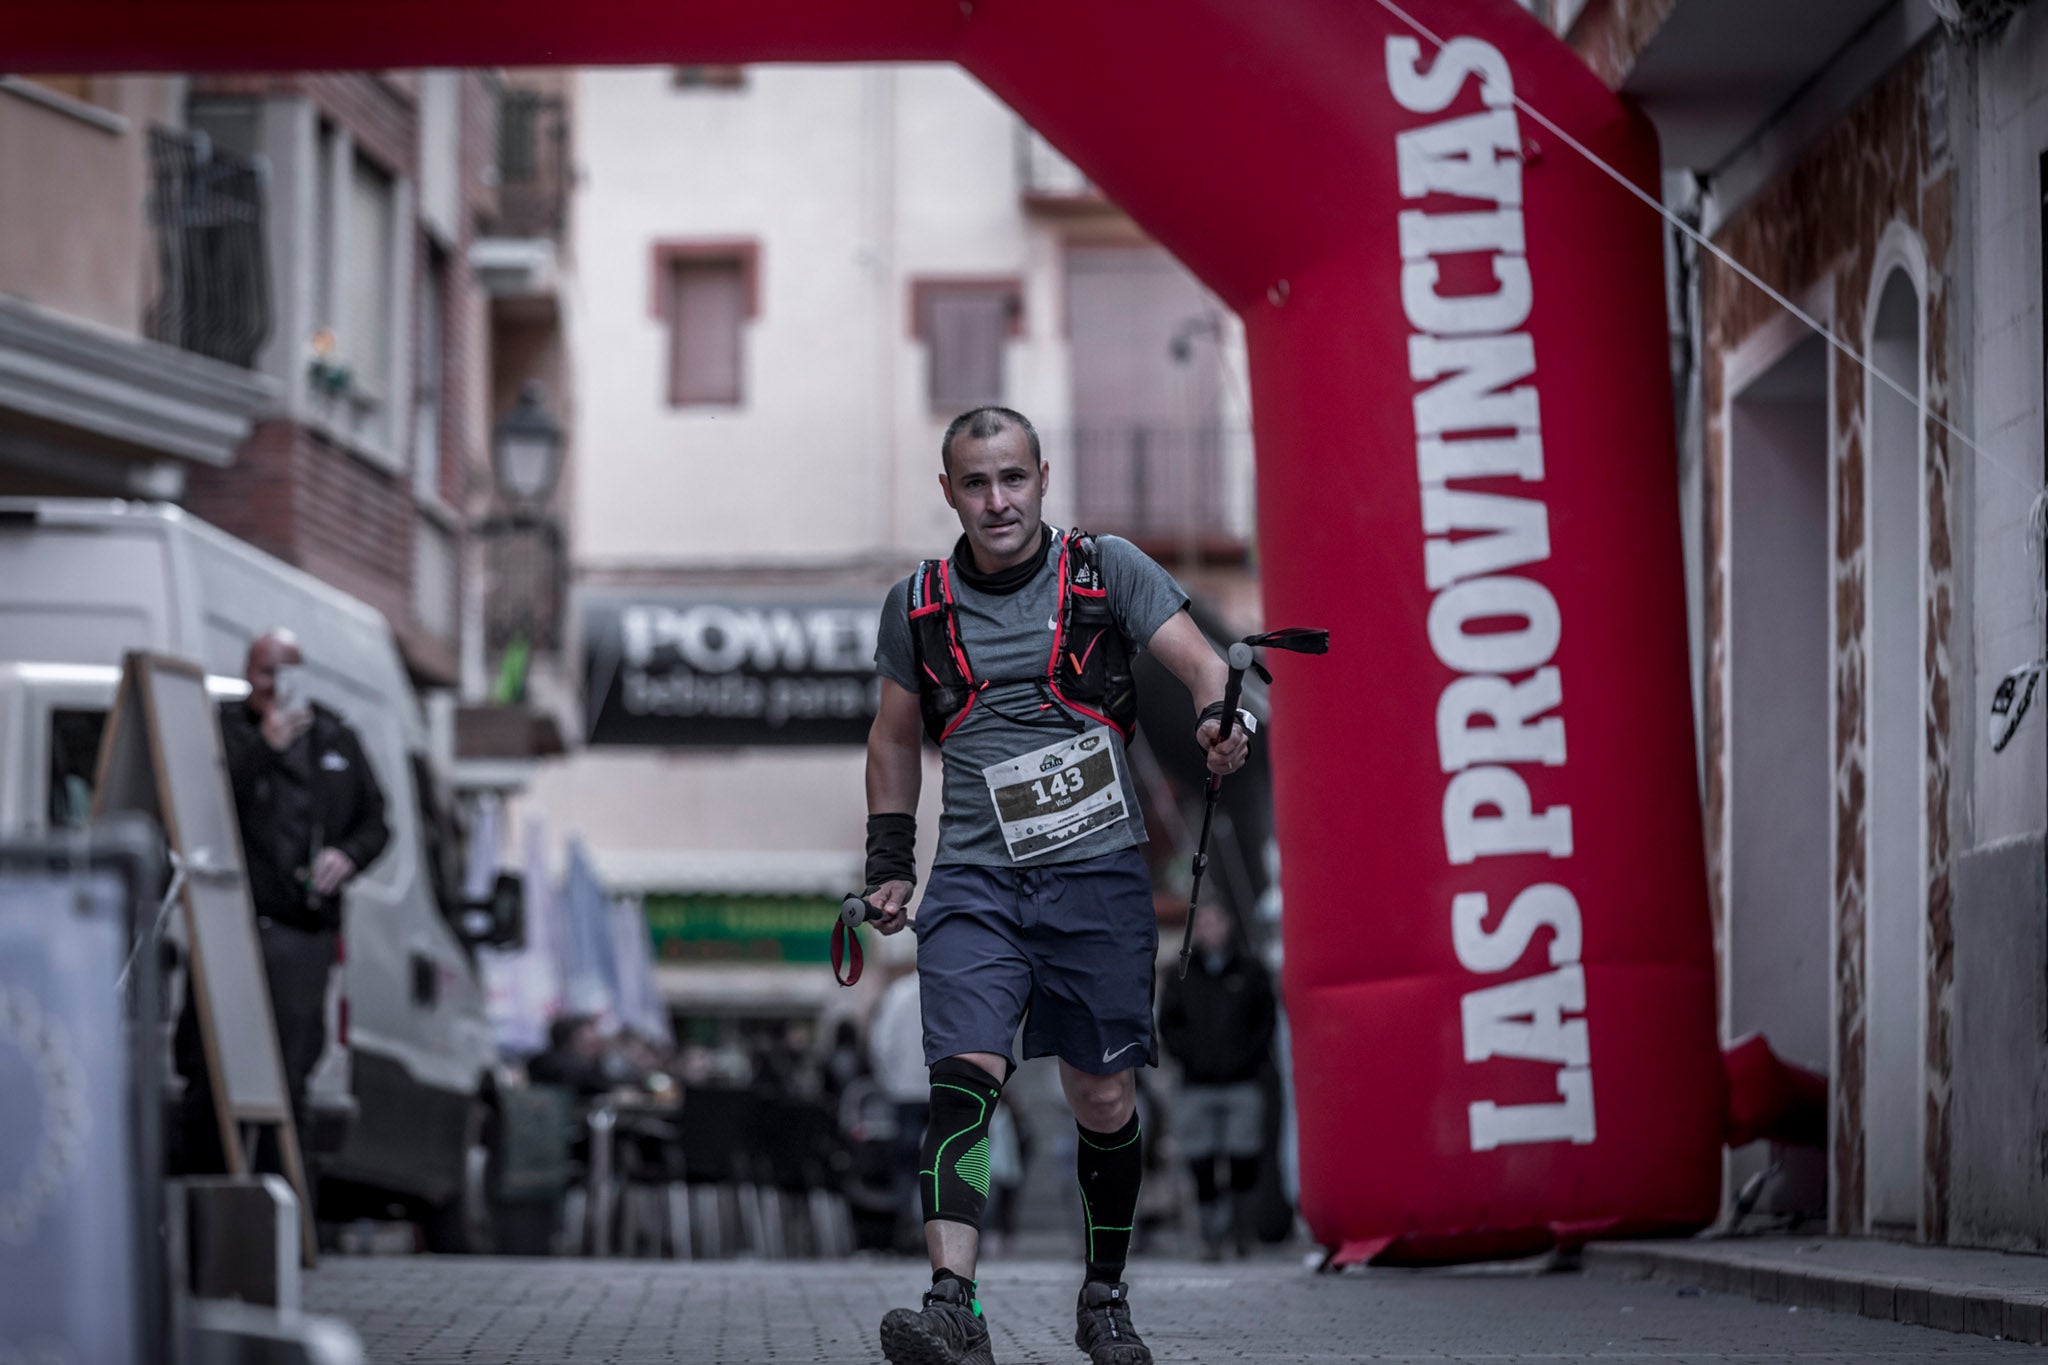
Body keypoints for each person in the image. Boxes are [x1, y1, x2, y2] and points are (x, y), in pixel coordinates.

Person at [862, 406, 1249, 1365]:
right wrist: (887, 864)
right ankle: (954, 1302)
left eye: (1013, 478)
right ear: (947, 491)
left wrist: (1217, 720)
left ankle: (1104, 1298)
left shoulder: (1106, 569)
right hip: (977, 880)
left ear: (1043, 476)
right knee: (962, 1080)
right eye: (976, 483)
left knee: (1103, 1096)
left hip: (1098, 878)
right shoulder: (918, 603)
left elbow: (1203, 664)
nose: (998, 500)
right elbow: (895, 737)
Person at [176, 629, 390, 1171]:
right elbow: (204, 805)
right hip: (233, 924)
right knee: (211, 1068)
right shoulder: (224, 731)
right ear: (249, 675)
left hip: (304, 930)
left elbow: (377, 822)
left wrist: (348, 855)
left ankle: (287, 1209)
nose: (276, 687)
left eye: (287, 674)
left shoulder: (336, 738)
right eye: (266, 673)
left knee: (290, 1072)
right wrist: (263, 750)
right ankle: (208, 1196)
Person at [1157, 901, 1277, 1260]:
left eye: (1216, 921)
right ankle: (1211, 1234)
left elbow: (1265, 1020)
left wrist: (1248, 1058)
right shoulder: (1181, 974)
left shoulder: (1252, 971)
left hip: (1241, 1080)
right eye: (1203, 922)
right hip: (1197, 1082)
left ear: (1228, 924)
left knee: (1244, 1157)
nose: (1210, 929)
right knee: (1200, 1160)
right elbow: (1168, 1024)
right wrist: (1190, 1057)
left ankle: (1241, 1232)